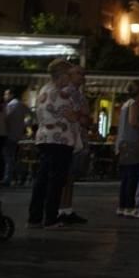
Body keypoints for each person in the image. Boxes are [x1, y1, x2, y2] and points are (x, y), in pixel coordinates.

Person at [27, 60, 79, 229]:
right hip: (59, 139)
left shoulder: (44, 90)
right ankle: (50, 217)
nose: (70, 79)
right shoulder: (59, 94)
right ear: (62, 76)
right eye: (69, 75)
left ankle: (35, 217)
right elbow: (72, 116)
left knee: (42, 179)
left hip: (44, 137)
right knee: (56, 180)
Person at [58, 64, 90, 225]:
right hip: (68, 139)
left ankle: (66, 208)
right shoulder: (68, 93)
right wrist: (81, 116)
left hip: (76, 139)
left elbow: (85, 117)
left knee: (70, 176)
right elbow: (77, 115)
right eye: (78, 73)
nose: (82, 77)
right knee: (66, 176)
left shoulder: (78, 94)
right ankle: (62, 209)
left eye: (83, 74)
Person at [116, 80, 139, 218]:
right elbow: (133, 122)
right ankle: (129, 206)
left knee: (126, 177)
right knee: (133, 176)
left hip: (124, 143)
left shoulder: (125, 104)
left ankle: (122, 206)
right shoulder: (134, 105)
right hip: (132, 143)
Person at [2, 88, 29, 187]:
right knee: (15, 157)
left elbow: (6, 119)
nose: (5, 96)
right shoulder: (21, 105)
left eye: (6, 94)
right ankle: (20, 175)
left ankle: (8, 178)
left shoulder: (11, 105)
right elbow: (29, 115)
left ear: (11, 95)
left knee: (9, 157)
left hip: (9, 134)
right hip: (18, 135)